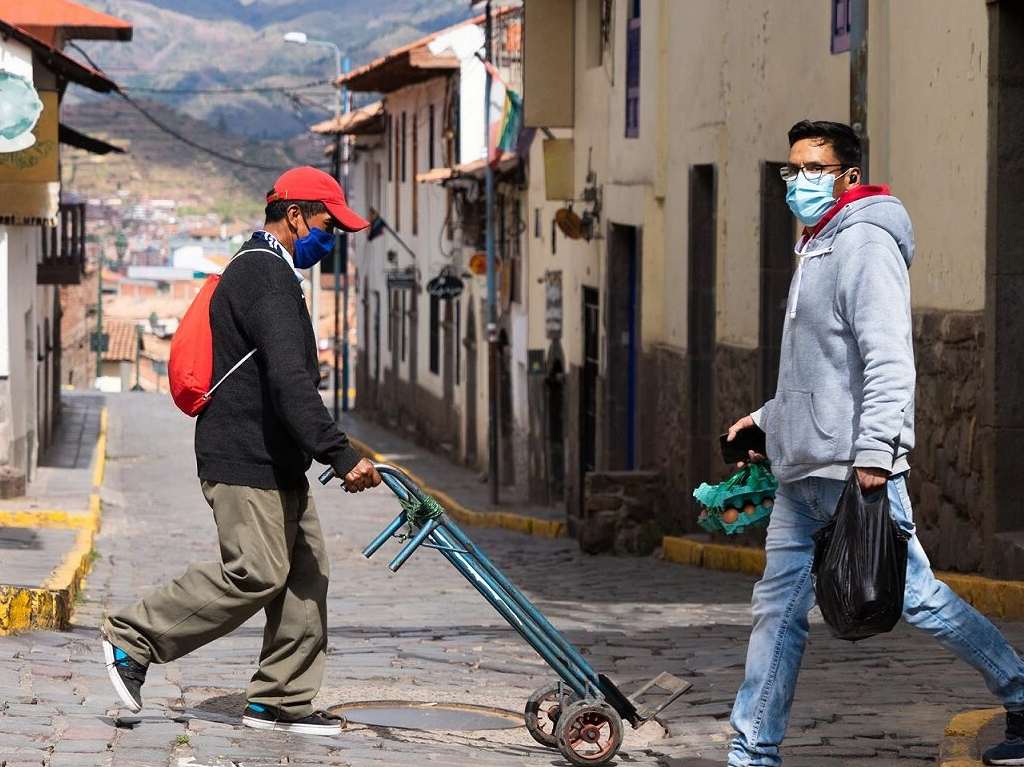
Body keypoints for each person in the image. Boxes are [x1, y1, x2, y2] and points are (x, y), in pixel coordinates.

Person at [725, 121, 1024, 766]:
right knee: (775, 617)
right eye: (792, 169)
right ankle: (751, 755)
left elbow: (888, 360)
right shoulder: (817, 245)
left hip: (853, 474)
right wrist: (766, 422)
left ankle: (1022, 689)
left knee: (916, 598)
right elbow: (819, 372)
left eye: (814, 169)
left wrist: (874, 456)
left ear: (847, 176)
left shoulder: (864, 243)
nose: (799, 181)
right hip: (802, 477)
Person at [101, 166, 382, 737]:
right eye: (329, 224)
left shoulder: (272, 271)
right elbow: (289, 381)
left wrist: (316, 452)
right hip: (244, 456)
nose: (332, 239)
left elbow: (286, 378)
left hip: (277, 458)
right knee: (257, 571)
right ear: (296, 214)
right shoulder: (263, 275)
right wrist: (340, 453)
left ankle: (279, 701)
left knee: (306, 574)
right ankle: (132, 639)